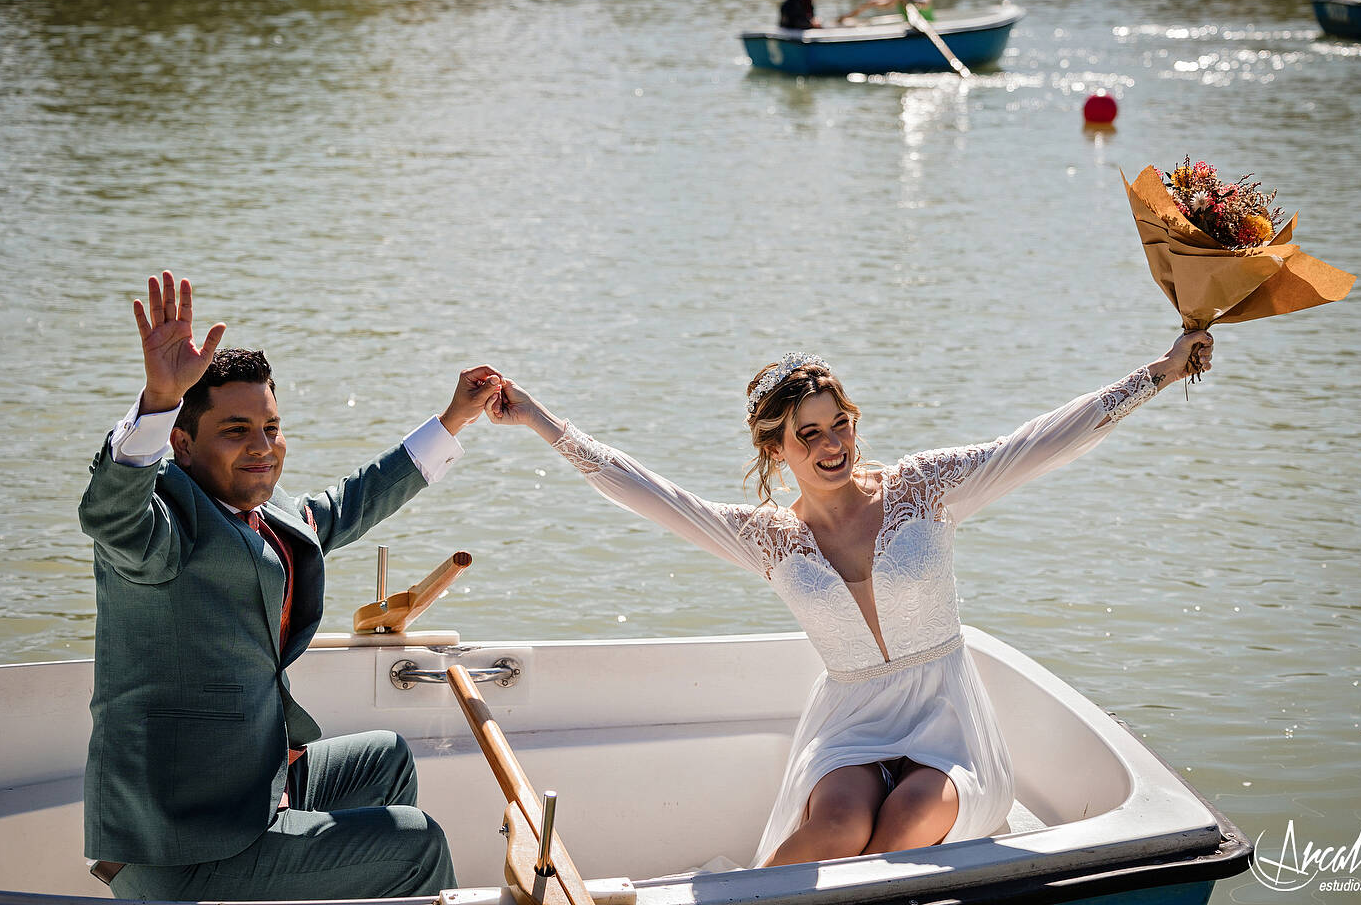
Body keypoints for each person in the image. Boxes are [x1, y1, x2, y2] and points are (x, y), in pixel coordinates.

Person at [485, 331, 1213, 865]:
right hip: (852, 726)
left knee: (903, 826)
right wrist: (539, 421)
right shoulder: (767, 539)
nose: (834, 444)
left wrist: (1158, 372)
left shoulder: (924, 488)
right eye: (811, 435)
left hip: (948, 724)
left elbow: (1040, 441)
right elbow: (646, 491)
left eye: (841, 424)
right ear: (779, 450)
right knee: (837, 832)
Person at [78, 271, 503, 900]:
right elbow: (110, 513)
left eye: (271, 428)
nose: (262, 448)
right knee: (415, 844)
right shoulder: (157, 527)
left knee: (385, 758)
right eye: (235, 430)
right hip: (179, 847)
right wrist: (158, 398)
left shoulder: (265, 516)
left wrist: (453, 420)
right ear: (181, 442)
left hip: (248, 792)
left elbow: (350, 502)